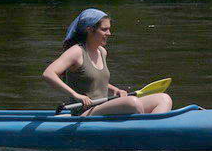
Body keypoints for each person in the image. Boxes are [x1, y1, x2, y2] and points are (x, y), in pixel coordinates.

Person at [43, 8, 172, 116]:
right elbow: (48, 74)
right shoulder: (76, 51)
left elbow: (96, 80)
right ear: (89, 30)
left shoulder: (102, 52)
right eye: (104, 29)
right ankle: (142, 129)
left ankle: (151, 129)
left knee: (163, 99)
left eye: (109, 29)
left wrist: (115, 90)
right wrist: (76, 95)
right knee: (133, 103)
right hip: (85, 112)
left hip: (103, 107)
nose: (109, 33)